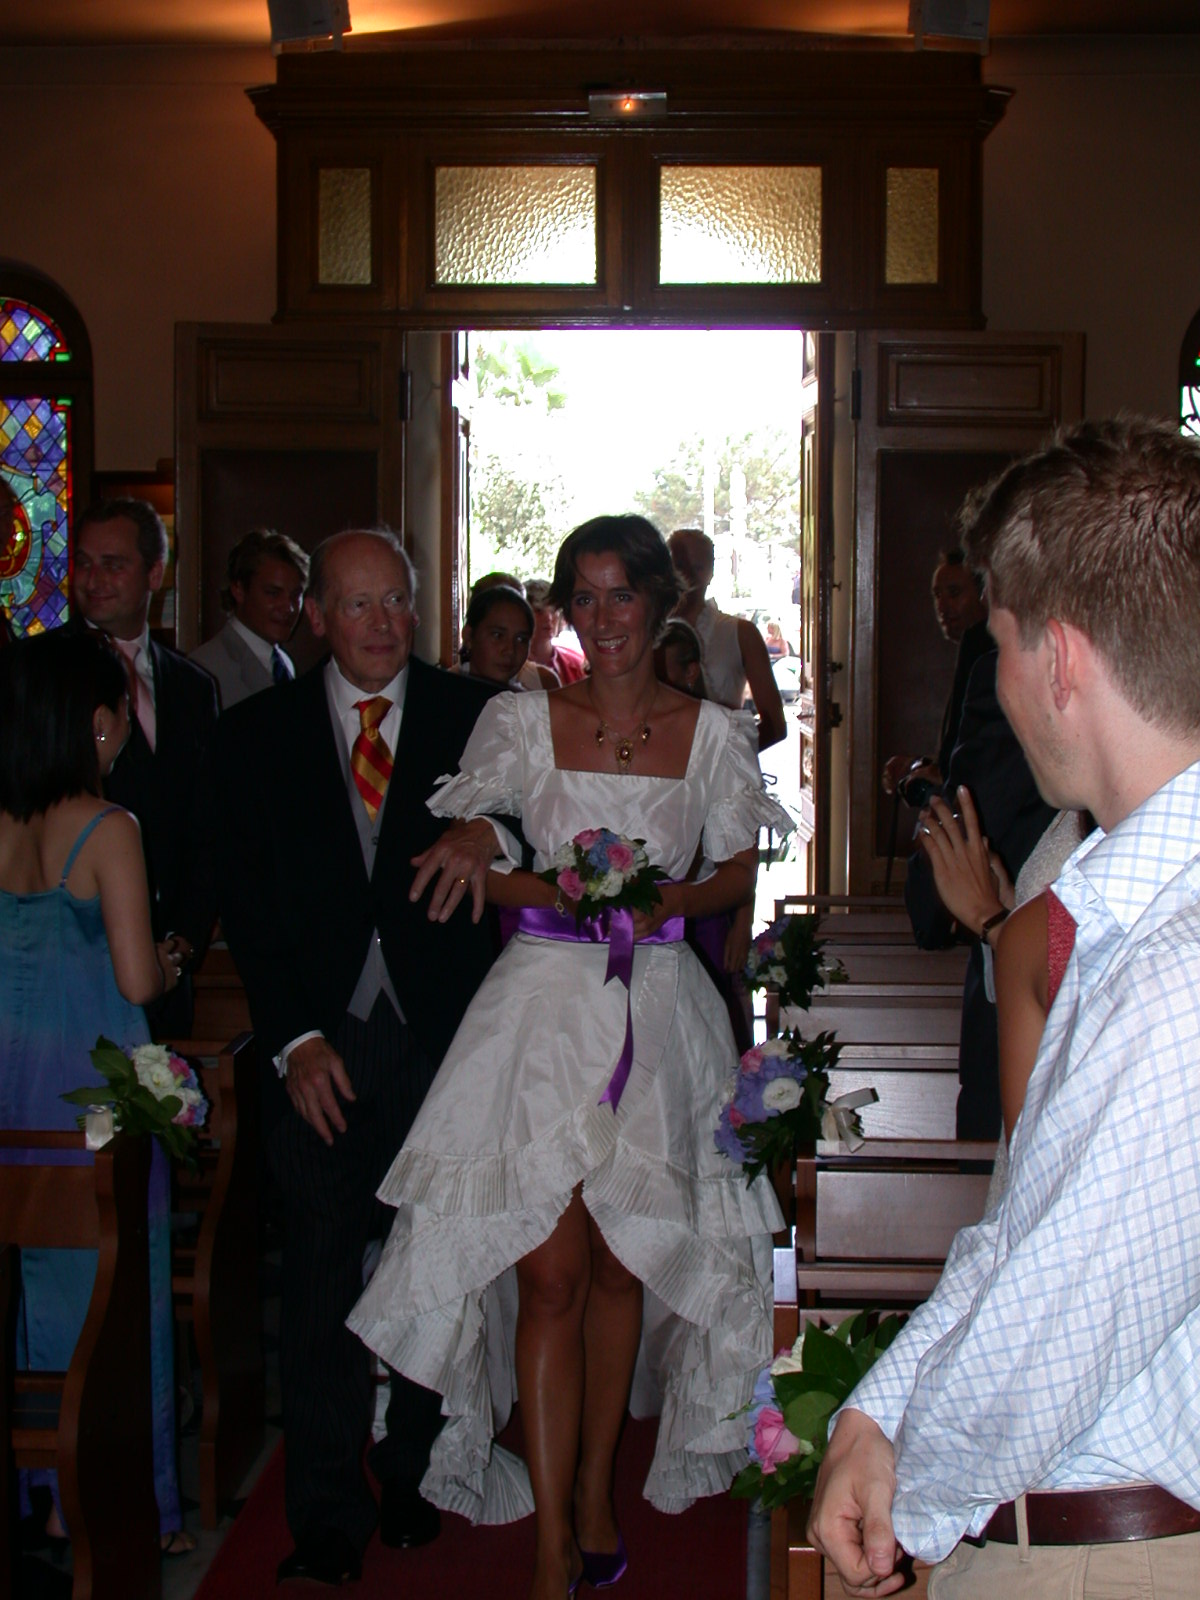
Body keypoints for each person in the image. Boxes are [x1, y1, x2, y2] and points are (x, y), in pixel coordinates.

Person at [349, 514, 792, 1600]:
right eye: (582, 598)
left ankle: (596, 1487)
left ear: (659, 602)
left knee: (619, 1264)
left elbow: (737, 870)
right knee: (547, 1274)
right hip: (542, 1011)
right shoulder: (521, 719)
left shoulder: (714, 733)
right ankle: (553, 1534)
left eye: (620, 595)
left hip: (659, 1004)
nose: (603, 618)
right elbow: (486, 855)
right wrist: (536, 874)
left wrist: (664, 903)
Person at [808, 417, 1200, 1599]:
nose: (998, 681)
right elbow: (1027, 1227)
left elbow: (1054, 1333)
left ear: (1059, 660)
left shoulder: (1179, 966)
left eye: (997, 644)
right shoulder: (1130, 910)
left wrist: (903, 1500)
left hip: (1117, 1555)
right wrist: (873, 1411)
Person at [215, 528, 512, 1589]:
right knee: (320, 1280)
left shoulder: (479, 717)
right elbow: (249, 904)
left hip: (442, 1038)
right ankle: (326, 1514)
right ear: (316, 616)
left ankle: (414, 1472)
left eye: (396, 600)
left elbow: (545, 817)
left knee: (434, 1268)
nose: (382, 623)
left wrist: (493, 837)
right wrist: (293, 1039)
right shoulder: (258, 734)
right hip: (321, 1049)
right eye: (356, 604)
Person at [0, 629, 192, 1556]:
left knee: (42, 1288)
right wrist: (169, 957)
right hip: (92, 1086)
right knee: (118, 1299)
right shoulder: (109, 826)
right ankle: (120, 1504)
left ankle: (45, 1491)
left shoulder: (4, 823)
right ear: (98, 723)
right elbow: (136, 979)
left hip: (15, 1083)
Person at [72, 498, 220, 1038]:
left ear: (155, 574)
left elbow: (207, 826)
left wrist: (183, 941)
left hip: (168, 969)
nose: (93, 579)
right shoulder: (38, 673)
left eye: (113, 564)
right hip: (75, 968)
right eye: (83, 563)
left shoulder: (192, 686)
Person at [881, 549, 991, 806]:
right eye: (937, 595)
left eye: (954, 593)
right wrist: (918, 765)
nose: (942, 606)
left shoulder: (983, 652)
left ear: (984, 593)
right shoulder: (971, 653)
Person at [667, 527, 787, 750]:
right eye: (679, 566)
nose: (687, 577)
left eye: (697, 567)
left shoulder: (741, 633)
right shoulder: (645, 635)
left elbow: (775, 725)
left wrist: (727, 759)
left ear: (710, 573)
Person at [190, 527, 309, 707]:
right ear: (239, 590)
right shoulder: (204, 669)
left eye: (295, 595)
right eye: (273, 593)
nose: (289, 607)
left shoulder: (282, 663)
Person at [459, 583, 542, 690]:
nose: (510, 650)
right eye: (497, 635)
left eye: (521, 639)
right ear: (468, 636)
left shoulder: (525, 699)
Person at [526, 577, 587, 684]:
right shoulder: (510, 666)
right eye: (539, 611)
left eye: (554, 610)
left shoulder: (577, 663)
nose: (549, 618)